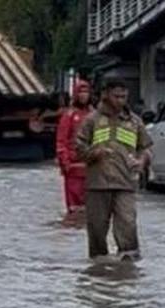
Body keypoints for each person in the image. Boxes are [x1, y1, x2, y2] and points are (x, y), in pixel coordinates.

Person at [75, 78, 153, 260]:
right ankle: (99, 268)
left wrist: (142, 161)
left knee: (128, 225)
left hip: (125, 183)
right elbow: (78, 149)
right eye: (116, 96)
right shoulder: (91, 120)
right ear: (105, 95)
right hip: (97, 185)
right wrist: (94, 153)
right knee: (96, 230)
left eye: (124, 97)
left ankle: (128, 268)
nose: (121, 101)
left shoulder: (134, 122)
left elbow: (147, 148)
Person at [55, 79, 94, 226]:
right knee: (75, 208)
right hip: (73, 167)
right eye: (81, 92)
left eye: (86, 92)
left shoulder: (94, 115)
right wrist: (64, 161)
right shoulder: (69, 115)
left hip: (91, 165)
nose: (84, 95)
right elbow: (61, 141)